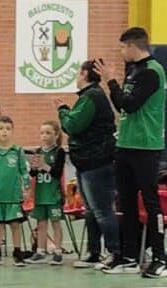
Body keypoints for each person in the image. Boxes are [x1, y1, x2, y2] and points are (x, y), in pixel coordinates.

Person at [95, 27, 166, 277]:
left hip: (146, 146)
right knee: (125, 202)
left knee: (150, 200)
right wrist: (114, 85)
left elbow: (130, 104)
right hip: (126, 143)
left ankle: (160, 257)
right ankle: (129, 256)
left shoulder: (152, 72)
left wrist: (111, 81)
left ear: (133, 46)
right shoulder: (133, 70)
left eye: (123, 48)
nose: (121, 52)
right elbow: (120, 105)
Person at [56, 59, 121, 270]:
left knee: (102, 210)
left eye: (78, 72)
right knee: (91, 210)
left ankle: (115, 252)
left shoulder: (92, 97)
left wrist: (62, 110)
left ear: (84, 74)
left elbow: (73, 125)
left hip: (97, 162)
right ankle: (94, 252)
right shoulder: (88, 97)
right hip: (86, 163)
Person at [0, 116, 30, 267]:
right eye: (1, 129)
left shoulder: (18, 151)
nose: (5, 132)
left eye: (8, 129)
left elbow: (24, 171)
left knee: (15, 224)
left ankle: (17, 253)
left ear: (12, 132)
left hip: (13, 196)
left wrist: (26, 188)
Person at [25, 121, 67, 265]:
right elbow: (32, 173)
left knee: (55, 223)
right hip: (40, 194)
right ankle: (40, 250)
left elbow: (57, 172)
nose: (44, 136)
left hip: (53, 194)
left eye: (48, 133)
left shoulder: (59, 152)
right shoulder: (38, 151)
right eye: (42, 133)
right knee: (41, 223)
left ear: (56, 135)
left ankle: (58, 251)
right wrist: (34, 166)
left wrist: (44, 166)